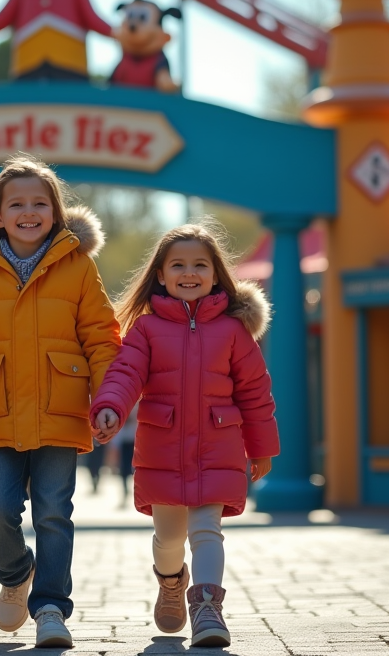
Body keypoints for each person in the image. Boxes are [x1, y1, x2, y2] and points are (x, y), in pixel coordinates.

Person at [0, 155, 121, 648]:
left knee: (53, 513)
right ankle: (16, 572)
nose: (28, 212)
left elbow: (101, 336)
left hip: (60, 409)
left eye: (40, 203)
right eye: (16, 204)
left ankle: (51, 608)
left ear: (55, 213)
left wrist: (108, 398)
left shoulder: (78, 266)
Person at [91, 221, 280, 648]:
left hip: (219, 446)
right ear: (160, 274)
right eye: (178, 265)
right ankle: (171, 581)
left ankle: (208, 607)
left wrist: (261, 447)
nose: (189, 273)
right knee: (169, 537)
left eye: (200, 265)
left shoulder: (233, 331)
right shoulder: (145, 330)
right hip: (163, 449)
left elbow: (255, 390)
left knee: (206, 529)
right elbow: (125, 373)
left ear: (216, 274)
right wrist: (110, 407)